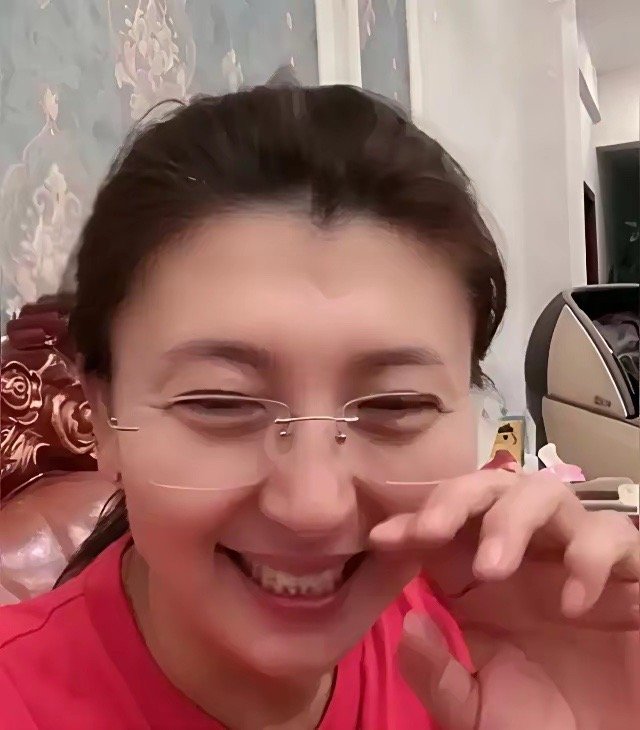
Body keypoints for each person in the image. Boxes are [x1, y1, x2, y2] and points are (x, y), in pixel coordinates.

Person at [0, 83, 638, 730]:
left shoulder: (509, 639)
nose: (313, 506)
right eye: (221, 403)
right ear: (104, 416)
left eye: (396, 404)